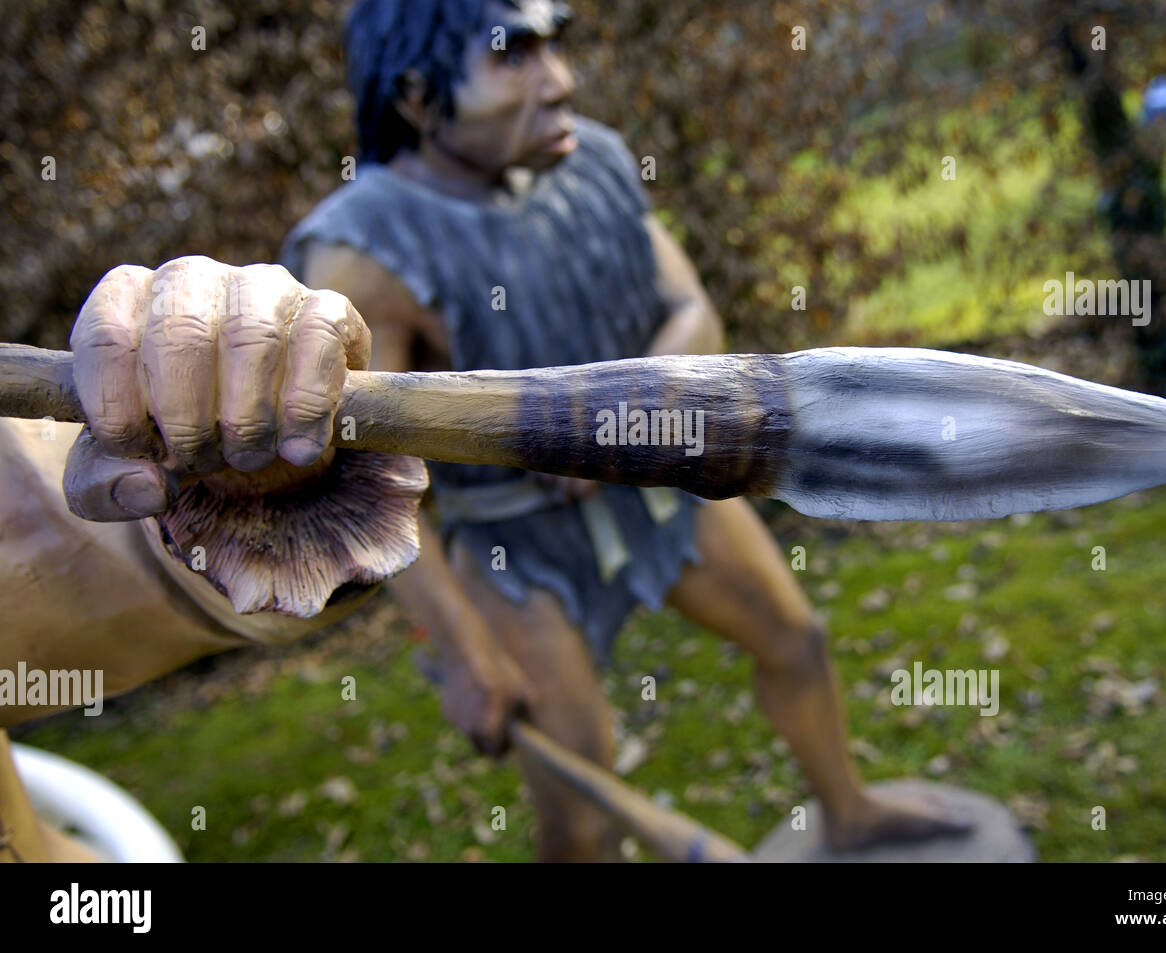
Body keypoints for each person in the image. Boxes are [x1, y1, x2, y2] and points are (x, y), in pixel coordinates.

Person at [0, 0, 966, 862]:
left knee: (793, 635)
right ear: (420, 99)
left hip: (656, 492)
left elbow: (691, 314)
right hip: (510, 543)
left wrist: (634, 429)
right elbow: (351, 477)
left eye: (556, 46)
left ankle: (850, 811)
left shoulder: (594, 161)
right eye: (516, 54)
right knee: (580, 783)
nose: (560, 80)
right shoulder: (365, 242)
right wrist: (467, 653)